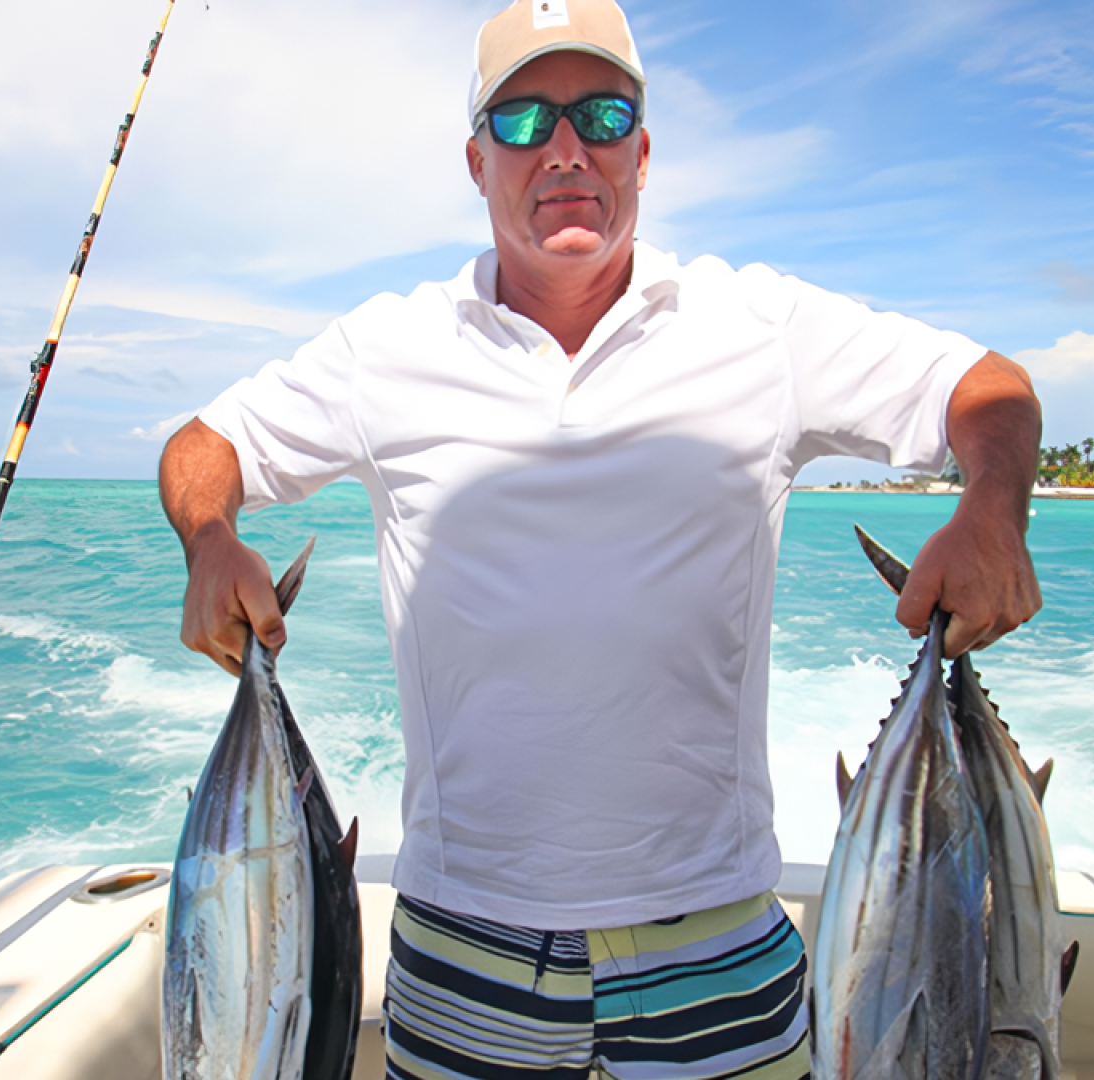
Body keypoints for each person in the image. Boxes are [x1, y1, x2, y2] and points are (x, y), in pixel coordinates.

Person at [157, 1, 1042, 1076]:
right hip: (463, 938)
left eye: (602, 114)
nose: (566, 148)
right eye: (524, 121)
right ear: (476, 161)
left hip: (715, 930)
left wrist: (991, 508)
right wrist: (211, 537)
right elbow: (205, 445)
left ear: (644, 150)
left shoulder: (760, 328)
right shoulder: (385, 348)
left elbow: (986, 390)